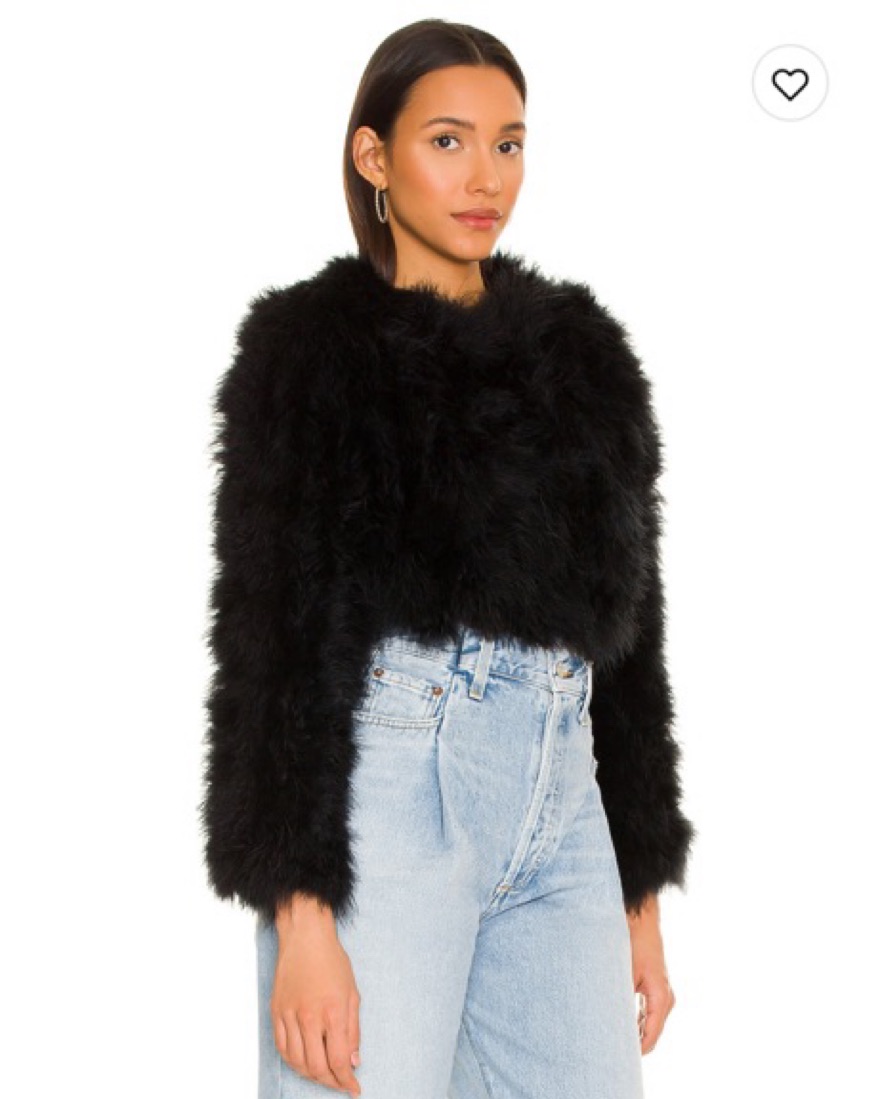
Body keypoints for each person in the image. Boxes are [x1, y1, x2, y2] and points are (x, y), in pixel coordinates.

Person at [200, 17, 696, 1099]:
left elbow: (630, 642)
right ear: (373, 156)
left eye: (508, 144)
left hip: (566, 806)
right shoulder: (312, 353)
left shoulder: (584, 358)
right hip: (388, 803)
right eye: (447, 141)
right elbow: (271, 638)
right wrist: (303, 915)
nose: (486, 178)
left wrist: (638, 892)